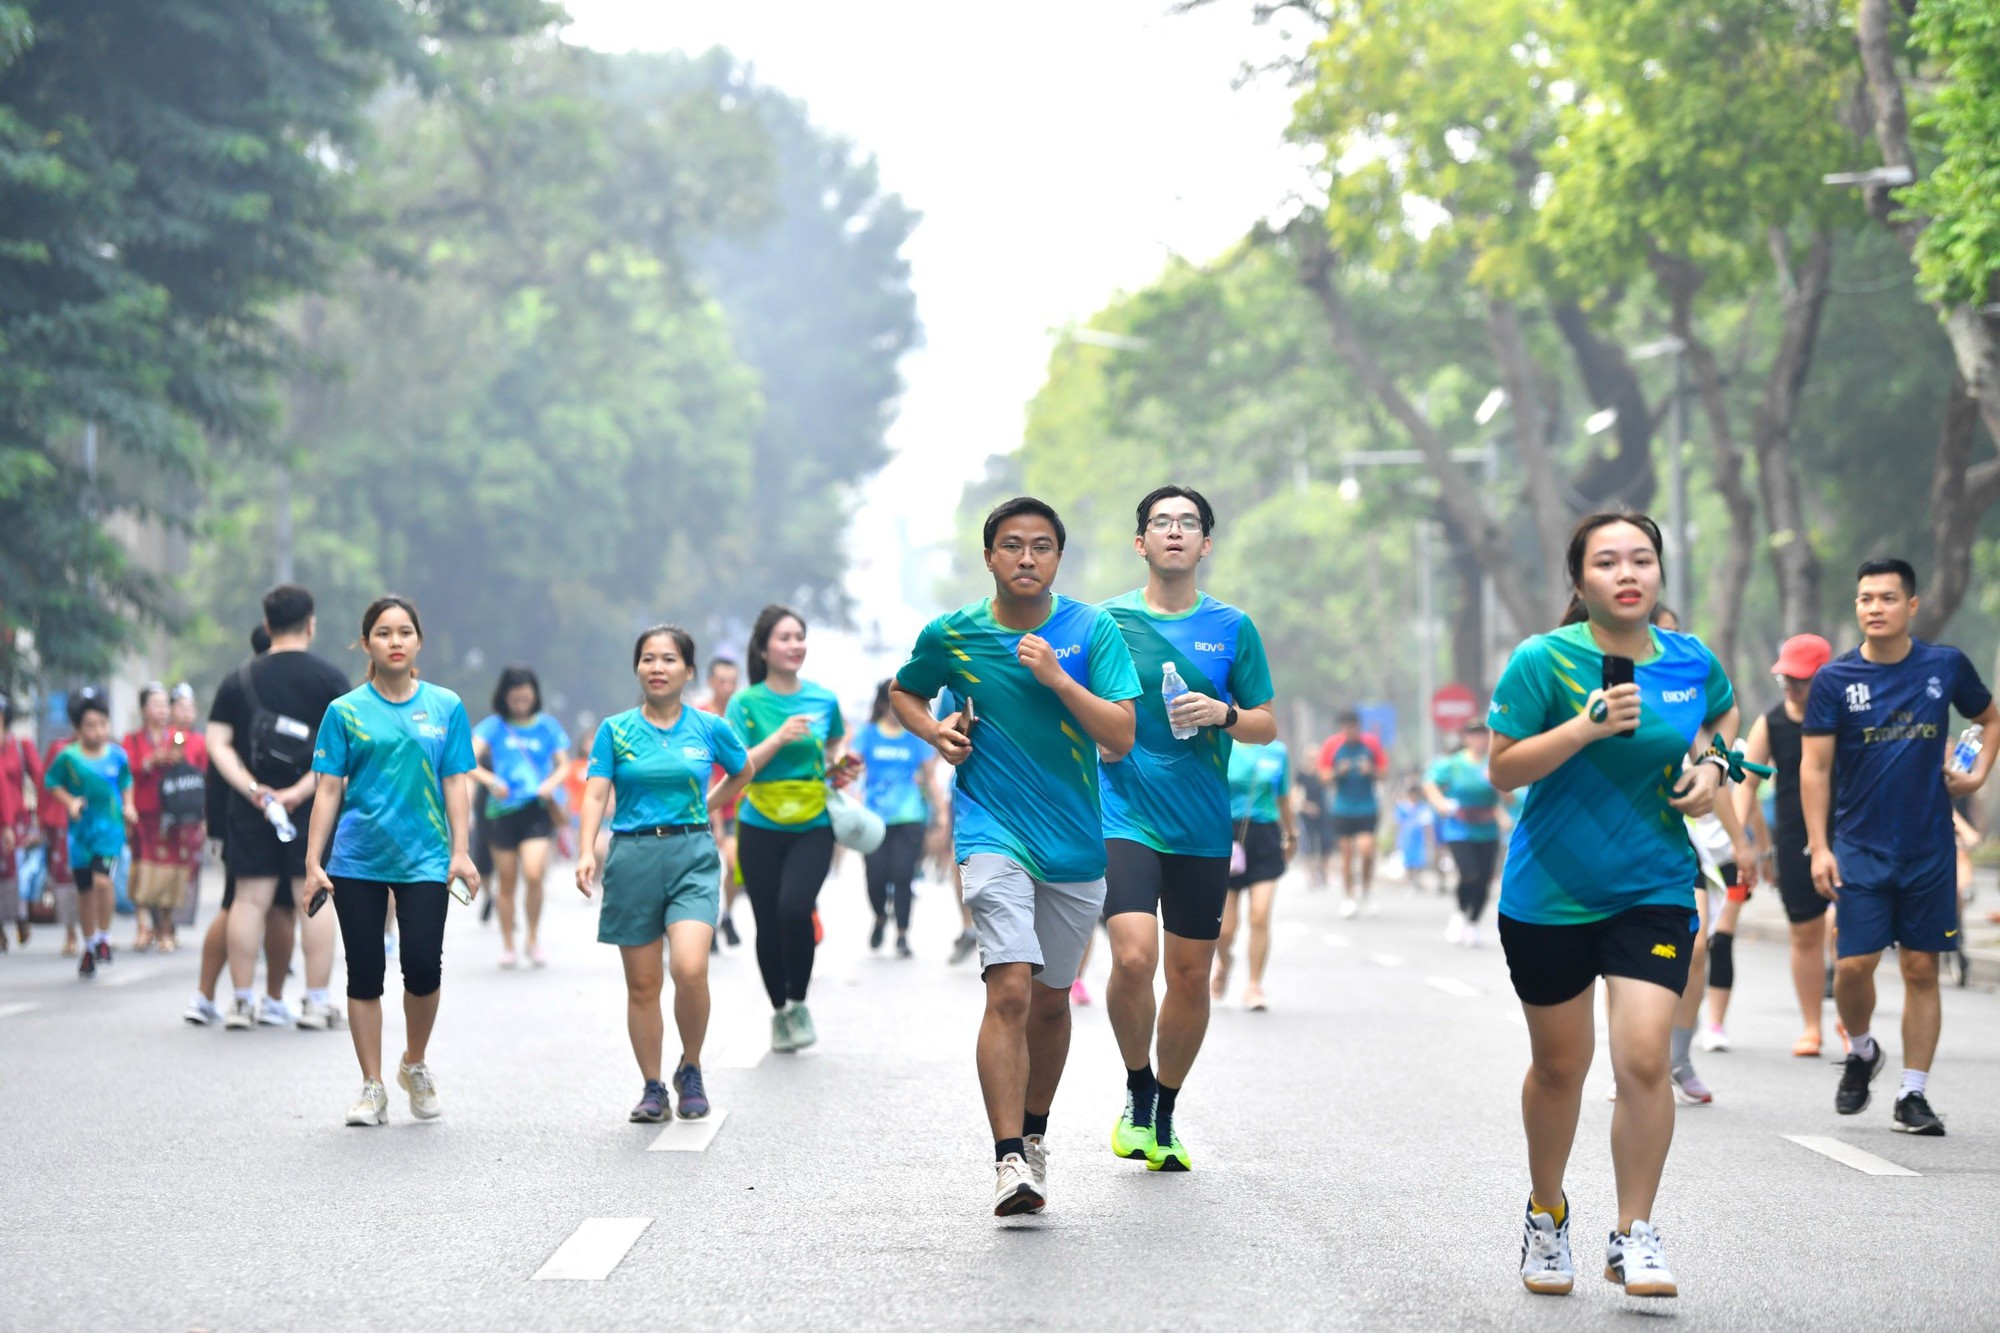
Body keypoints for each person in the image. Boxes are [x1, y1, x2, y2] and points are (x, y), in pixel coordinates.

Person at [1488, 511, 1739, 1301]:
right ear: (1580, 579)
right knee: (1561, 1066)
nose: (1627, 573)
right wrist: (1582, 727)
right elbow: (1503, 769)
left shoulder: (1690, 659)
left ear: (1659, 571)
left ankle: (1634, 1233)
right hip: (1550, 893)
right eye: (1607, 561)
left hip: (1653, 885)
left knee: (1643, 1057)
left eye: (1641, 559)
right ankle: (1547, 1212)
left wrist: (1714, 766)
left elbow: (1724, 717)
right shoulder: (1542, 659)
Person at [891, 495, 1140, 1217]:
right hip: (990, 828)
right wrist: (935, 732)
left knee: (1052, 1002)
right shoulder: (953, 633)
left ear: (1057, 557)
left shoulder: (1091, 630)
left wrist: (1058, 678)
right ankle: (1007, 1160)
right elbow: (905, 691)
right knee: (1008, 988)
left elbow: (1120, 734)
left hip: (1074, 839)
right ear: (989, 556)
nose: (1026, 557)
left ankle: (1033, 1137)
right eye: (1011, 545)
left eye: (1041, 546)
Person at [1094, 485, 1278, 1172]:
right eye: (1162, 521)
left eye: (1189, 522)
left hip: (1201, 823)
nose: (1175, 530)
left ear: (1206, 544)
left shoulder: (1233, 627)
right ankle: (1137, 1086)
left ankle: (1165, 1111)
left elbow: (1265, 722)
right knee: (1133, 957)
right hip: (1123, 811)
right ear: (1140, 541)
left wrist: (1222, 714)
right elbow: (1072, 701)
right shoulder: (1106, 621)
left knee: (1192, 974)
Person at [1801, 558, 2000, 1137]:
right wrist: (1819, 847)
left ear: (1911, 606)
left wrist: (1977, 774)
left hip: (1929, 847)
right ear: (1856, 606)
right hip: (1859, 845)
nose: (1875, 608)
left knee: (1920, 968)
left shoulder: (1945, 665)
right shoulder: (1834, 680)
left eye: (1887, 598)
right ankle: (1862, 1050)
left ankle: (1912, 1094)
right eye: (1866, 598)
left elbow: (1990, 719)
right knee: (1854, 966)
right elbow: (1815, 769)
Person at [303, 595, 479, 1127]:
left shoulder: (446, 706)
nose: (395, 641)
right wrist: (314, 862)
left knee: (423, 967)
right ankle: (372, 1085)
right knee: (364, 973)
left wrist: (461, 852)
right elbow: (328, 789)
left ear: (419, 641)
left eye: (405, 632)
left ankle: (414, 1063)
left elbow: (455, 781)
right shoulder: (345, 711)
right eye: (383, 633)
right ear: (366, 643)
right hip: (358, 857)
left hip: (426, 856)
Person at [576, 625, 752, 1122]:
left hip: (692, 854)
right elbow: (596, 791)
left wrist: (707, 805)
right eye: (649, 659)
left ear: (688, 670)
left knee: (691, 968)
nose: (658, 668)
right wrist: (586, 850)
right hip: (632, 857)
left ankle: (690, 1067)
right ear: (637, 668)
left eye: (669, 659)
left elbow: (742, 771)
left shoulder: (709, 727)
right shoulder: (615, 730)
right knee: (643, 984)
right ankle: (652, 1087)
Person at [207, 585, 350, 1031]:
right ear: (311, 624)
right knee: (314, 896)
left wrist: (255, 789)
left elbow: (217, 743)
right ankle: (316, 1002)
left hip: (253, 809)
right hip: (312, 807)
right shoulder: (330, 680)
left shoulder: (237, 680)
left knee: (249, 900)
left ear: (267, 626)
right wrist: (300, 791)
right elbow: (345, 754)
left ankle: (242, 1002)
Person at [726, 605, 850, 1053]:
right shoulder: (745, 703)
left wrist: (842, 767)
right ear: (763, 648)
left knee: (795, 909)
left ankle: (798, 1001)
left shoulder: (824, 698)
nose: (795, 644)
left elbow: (834, 748)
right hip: (759, 821)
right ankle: (779, 1011)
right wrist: (778, 737)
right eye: (784, 637)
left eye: (800, 636)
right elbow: (738, 765)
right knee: (767, 920)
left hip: (813, 821)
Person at [470, 665, 569, 969]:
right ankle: (509, 945)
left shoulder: (548, 727)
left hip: (536, 809)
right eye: (514, 698)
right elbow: (467, 759)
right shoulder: (493, 727)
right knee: (507, 880)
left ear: (534, 695)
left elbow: (564, 764)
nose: (520, 703)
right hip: (501, 811)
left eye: (525, 697)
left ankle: (533, 939)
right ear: (504, 697)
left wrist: (550, 784)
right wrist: (491, 781)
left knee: (534, 873)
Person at [43, 688, 136, 978]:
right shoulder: (67, 757)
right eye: (90, 725)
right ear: (77, 728)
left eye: (102, 724)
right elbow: (51, 782)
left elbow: (126, 782)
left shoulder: (117, 755)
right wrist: (70, 802)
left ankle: (105, 936)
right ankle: (89, 945)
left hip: (110, 831)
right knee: (85, 891)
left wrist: (129, 806)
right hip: (80, 835)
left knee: (103, 882)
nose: (98, 731)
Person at [851, 681, 936, 958]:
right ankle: (879, 917)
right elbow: (850, 765)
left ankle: (902, 934)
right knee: (875, 877)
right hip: (874, 819)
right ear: (880, 704)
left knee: (903, 875)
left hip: (909, 816)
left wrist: (942, 813)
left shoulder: (915, 737)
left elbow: (930, 777)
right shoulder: (867, 735)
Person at [1213, 737, 1292, 1013]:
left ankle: (1254, 985)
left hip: (1265, 836)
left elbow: (1283, 797)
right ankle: (1224, 962)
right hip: (1227, 836)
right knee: (1225, 929)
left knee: (1259, 915)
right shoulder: (1221, 742)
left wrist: (1291, 834)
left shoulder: (1277, 751)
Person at [1426, 724, 1509, 946]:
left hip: (1487, 829)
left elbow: (1509, 797)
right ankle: (1461, 912)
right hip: (1459, 828)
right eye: (1474, 735)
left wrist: (1496, 781)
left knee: (1484, 879)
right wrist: (1440, 803)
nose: (1478, 740)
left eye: (1483, 735)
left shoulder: (1495, 763)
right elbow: (1430, 784)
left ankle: (1473, 923)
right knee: (1469, 873)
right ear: (1466, 738)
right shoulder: (1452, 764)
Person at [124, 683, 193, 951]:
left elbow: (190, 767)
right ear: (144, 709)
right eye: (156, 704)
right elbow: (126, 772)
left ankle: (165, 927)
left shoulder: (177, 736)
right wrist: (151, 760)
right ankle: (143, 926)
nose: (162, 710)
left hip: (171, 814)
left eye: (165, 704)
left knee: (170, 870)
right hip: (143, 814)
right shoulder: (132, 740)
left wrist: (175, 757)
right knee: (141, 868)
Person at [697, 656, 746, 949]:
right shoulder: (699, 716)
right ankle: (709, 923)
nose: (727, 687)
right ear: (710, 682)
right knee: (708, 869)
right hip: (704, 803)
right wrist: (712, 816)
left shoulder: (742, 714)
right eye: (722, 681)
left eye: (732, 682)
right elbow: (702, 769)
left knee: (734, 863)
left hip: (735, 805)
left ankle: (727, 915)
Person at [1320, 711, 1385, 917]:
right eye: (1346, 728)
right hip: (1342, 808)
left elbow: (1384, 772)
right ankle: (1349, 897)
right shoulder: (1332, 745)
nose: (1350, 732)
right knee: (1347, 854)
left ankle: (1366, 889)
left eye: (1354, 727)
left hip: (1367, 807)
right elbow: (1323, 776)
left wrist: (1371, 770)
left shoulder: (1371, 744)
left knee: (1367, 850)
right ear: (1341, 729)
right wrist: (1338, 772)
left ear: (1359, 727)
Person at [0, 692, 42, 950]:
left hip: (16, 820)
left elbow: (40, 779)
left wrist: (42, 816)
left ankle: (20, 916)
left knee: (14, 871)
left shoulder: (20, 746)